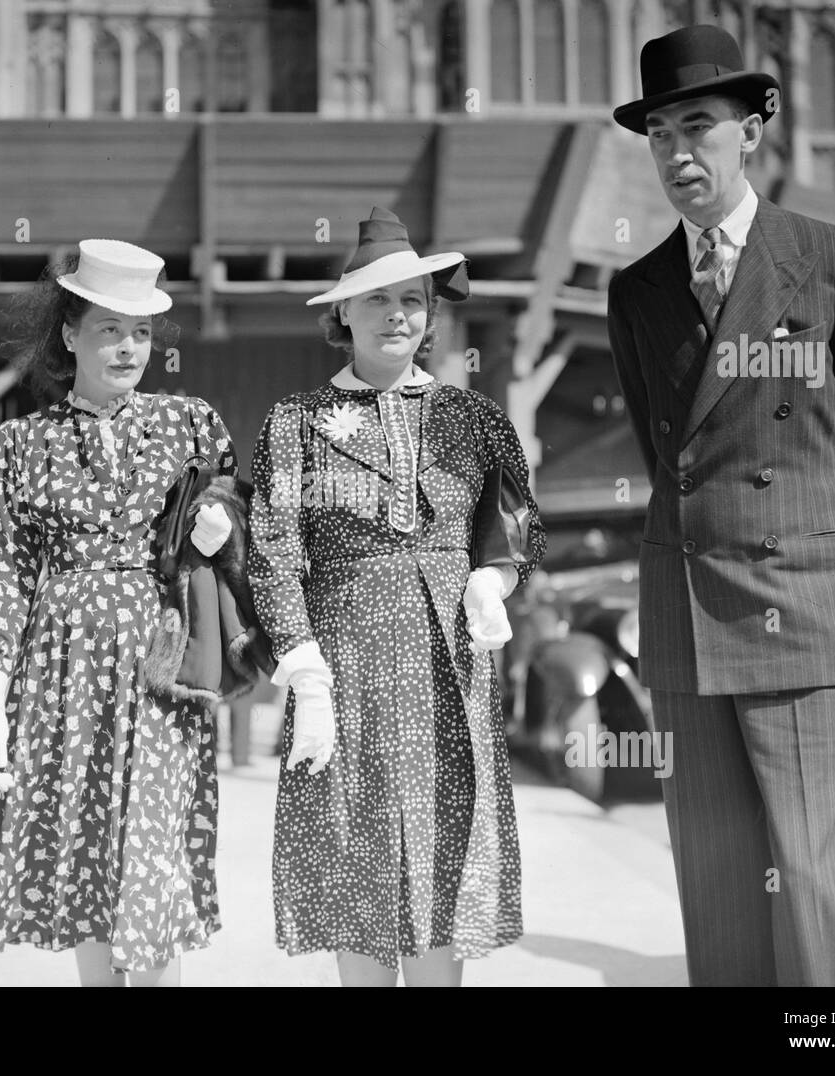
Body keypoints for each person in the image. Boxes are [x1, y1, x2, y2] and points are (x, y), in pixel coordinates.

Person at [606, 25, 835, 986]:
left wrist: (832, 580)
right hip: (687, 617)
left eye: (697, 125)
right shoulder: (638, 287)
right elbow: (663, 449)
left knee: (822, 897)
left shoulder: (831, 257)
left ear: (752, 130)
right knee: (718, 894)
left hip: (804, 609)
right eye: (658, 133)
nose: (675, 152)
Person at [247, 207, 545, 986]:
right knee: (359, 859)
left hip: (448, 669)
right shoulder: (295, 425)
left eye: (412, 299)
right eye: (377, 299)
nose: (397, 315)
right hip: (346, 668)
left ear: (431, 314)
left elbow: (517, 524)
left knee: (443, 857)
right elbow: (273, 550)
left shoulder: (473, 420)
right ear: (342, 312)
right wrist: (304, 671)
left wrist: (496, 578)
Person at [0, 239, 239, 987]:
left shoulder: (192, 425)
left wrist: (219, 534)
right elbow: (6, 576)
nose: (128, 348)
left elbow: (242, 523)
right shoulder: (20, 445)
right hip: (65, 670)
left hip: (162, 659)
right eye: (110, 329)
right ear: (70, 332)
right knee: (86, 860)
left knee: (153, 867)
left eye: (142, 332)